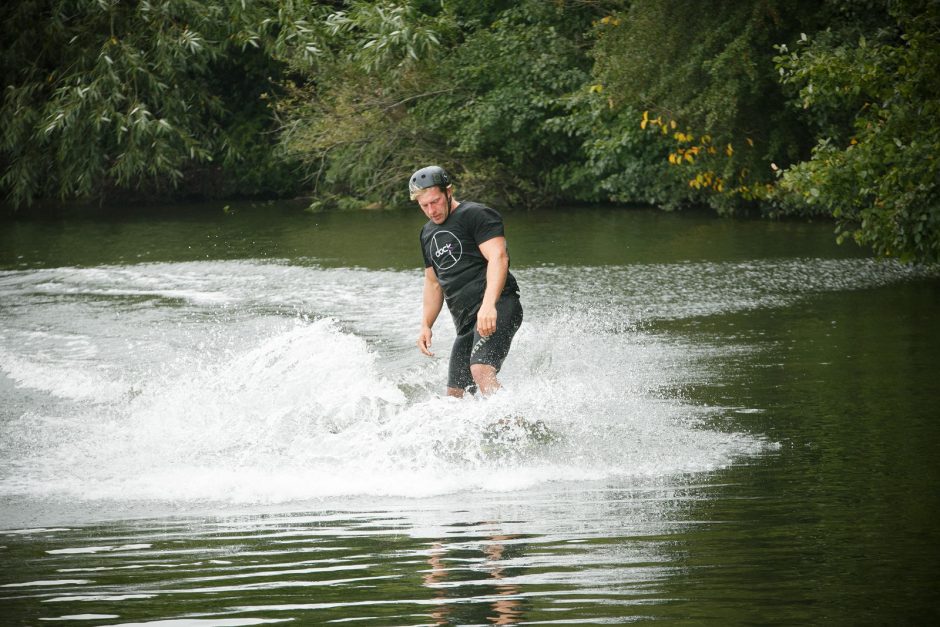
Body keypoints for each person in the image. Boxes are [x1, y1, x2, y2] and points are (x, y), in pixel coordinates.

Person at [411, 165, 523, 397]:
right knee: (455, 393)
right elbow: (433, 283)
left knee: (481, 370)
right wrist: (425, 325)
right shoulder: (427, 234)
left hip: (498, 306)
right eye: (425, 206)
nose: (432, 210)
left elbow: (499, 257)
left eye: (435, 201)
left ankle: (519, 429)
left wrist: (489, 305)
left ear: (448, 191)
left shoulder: (476, 215)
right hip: (466, 324)